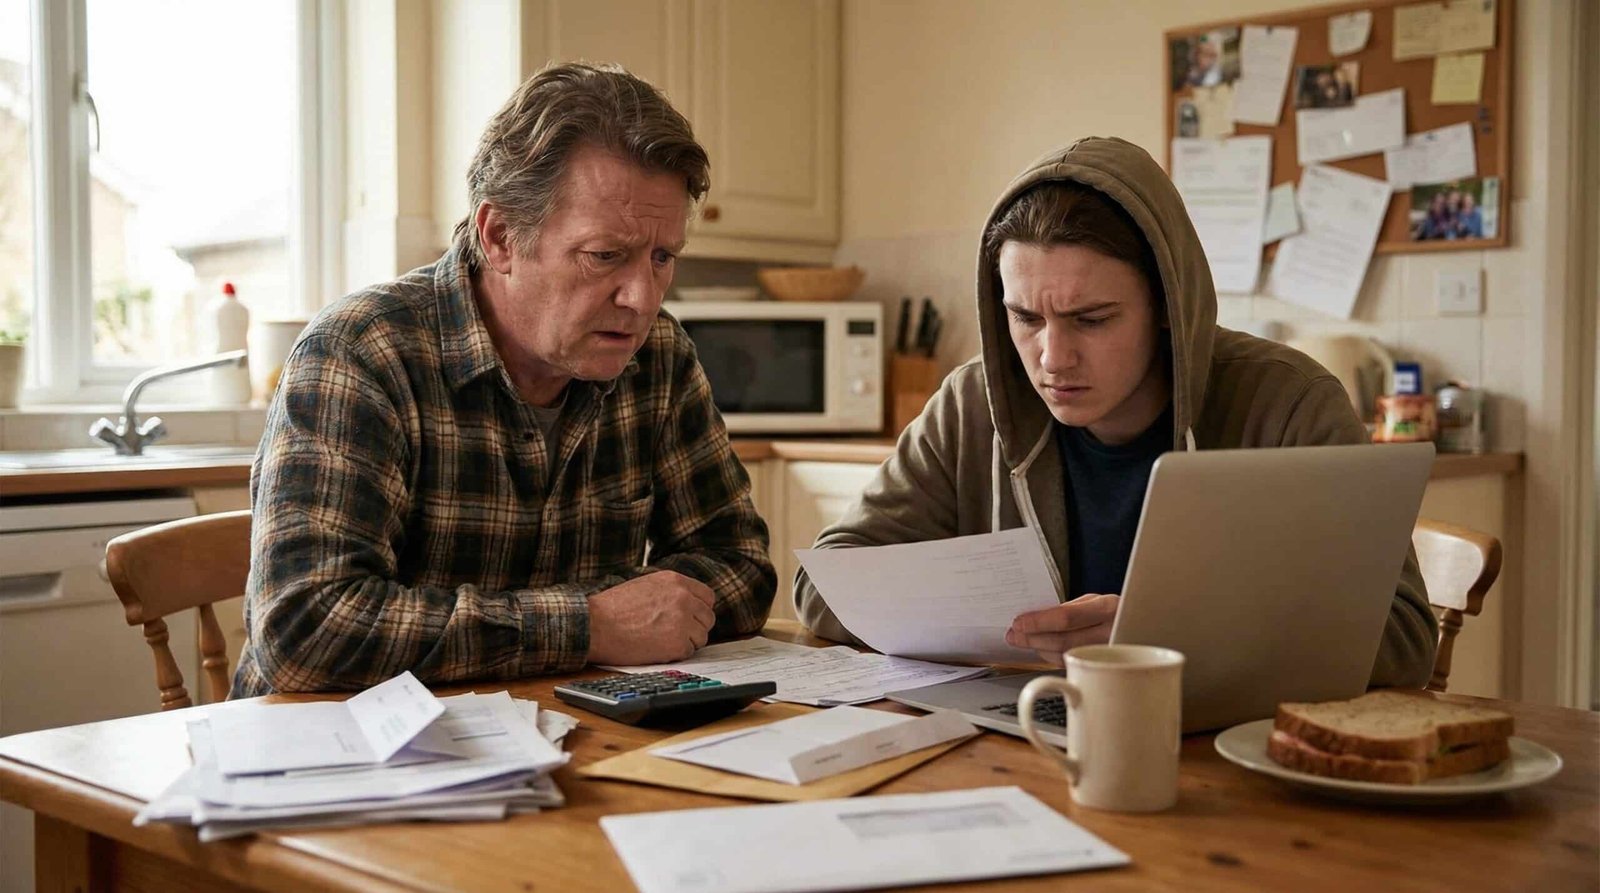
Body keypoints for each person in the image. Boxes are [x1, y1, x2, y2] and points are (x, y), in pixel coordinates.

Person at [794, 137, 1437, 688]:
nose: (1053, 358)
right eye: (1025, 318)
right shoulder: (970, 405)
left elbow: (1404, 639)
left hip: (1231, 767)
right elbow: (824, 588)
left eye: (1092, 319)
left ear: (1166, 306)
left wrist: (1165, 634)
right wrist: (986, 618)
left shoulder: (1288, 404)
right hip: (1019, 748)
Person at [234, 63, 776, 697]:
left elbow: (742, 567)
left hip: (560, 734)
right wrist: (590, 624)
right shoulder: (360, 353)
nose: (642, 297)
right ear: (499, 238)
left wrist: (588, 623)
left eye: (662, 258)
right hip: (335, 762)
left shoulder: (659, 355)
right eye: (605, 255)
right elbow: (305, 631)